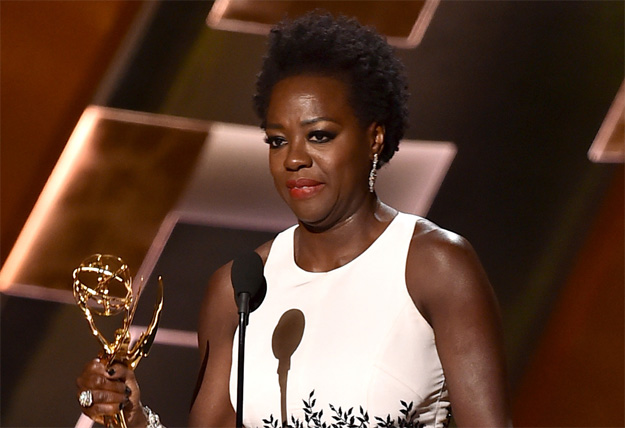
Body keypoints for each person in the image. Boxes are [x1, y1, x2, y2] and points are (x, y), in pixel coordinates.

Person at [76, 11, 511, 428]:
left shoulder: (433, 264)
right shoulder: (238, 291)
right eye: (278, 140)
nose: (295, 158)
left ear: (375, 137)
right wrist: (130, 418)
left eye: (320, 135)